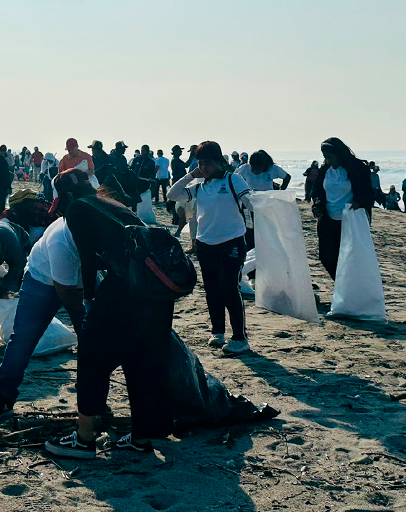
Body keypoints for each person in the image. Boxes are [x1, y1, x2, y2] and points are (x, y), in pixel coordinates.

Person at [44, 194, 176, 458]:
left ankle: (83, 438)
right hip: (158, 288)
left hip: (127, 285)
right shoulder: (111, 205)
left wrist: (89, 298)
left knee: (92, 354)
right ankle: (141, 437)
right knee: (142, 359)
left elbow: (87, 258)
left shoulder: (78, 207)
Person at [0, 170, 94, 423]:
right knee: (24, 339)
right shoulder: (62, 238)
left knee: (92, 344)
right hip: (42, 280)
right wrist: (84, 312)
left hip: (79, 281)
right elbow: (66, 291)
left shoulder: (102, 217)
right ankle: (2, 398)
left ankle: (92, 403)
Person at [167, 141, 253, 355]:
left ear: (219, 162)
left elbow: (250, 203)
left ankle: (240, 338)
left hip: (232, 241)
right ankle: (218, 332)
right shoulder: (200, 187)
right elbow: (172, 195)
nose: (204, 168)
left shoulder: (234, 180)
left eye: (208, 163)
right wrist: (190, 175)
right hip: (205, 243)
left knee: (229, 288)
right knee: (212, 289)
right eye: (201, 163)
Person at [310, 137, 375, 279]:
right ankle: (341, 283)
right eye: (325, 158)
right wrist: (317, 204)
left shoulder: (358, 168)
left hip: (350, 221)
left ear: (339, 154)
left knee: (350, 257)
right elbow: (317, 191)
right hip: (328, 219)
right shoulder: (325, 170)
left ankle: (348, 288)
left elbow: (369, 193)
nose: (328, 161)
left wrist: (359, 202)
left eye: (330, 157)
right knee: (326, 256)